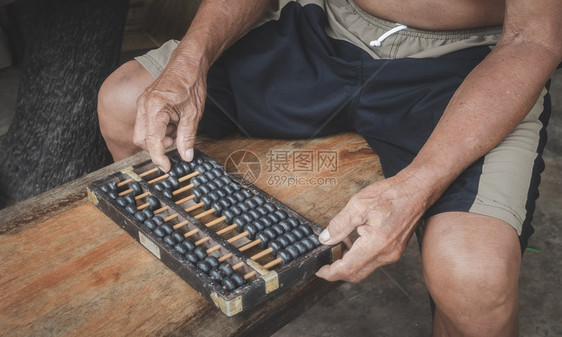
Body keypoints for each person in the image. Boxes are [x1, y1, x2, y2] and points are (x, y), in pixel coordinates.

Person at [97, 0, 562, 335]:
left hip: (475, 60)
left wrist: (417, 185)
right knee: (125, 102)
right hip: (328, 22)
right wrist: (187, 65)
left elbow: (534, 38)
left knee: (474, 281)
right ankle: (192, 294)